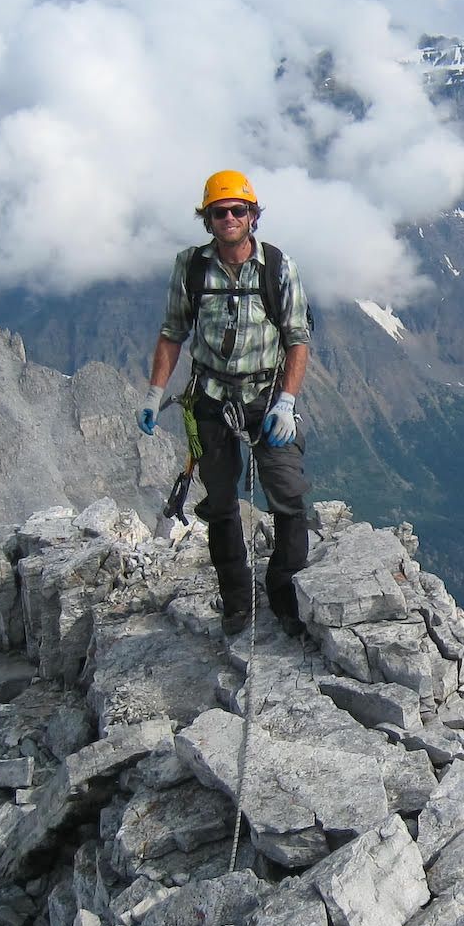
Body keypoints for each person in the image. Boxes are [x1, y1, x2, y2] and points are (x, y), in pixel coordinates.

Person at [140, 169, 312, 637]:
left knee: (289, 495)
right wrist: (156, 393)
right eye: (220, 212)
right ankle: (237, 603)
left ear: (253, 215)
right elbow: (173, 331)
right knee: (219, 503)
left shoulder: (277, 267)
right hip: (210, 399)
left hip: (265, 396)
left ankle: (286, 596)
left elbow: (297, 338)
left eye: (239, 210)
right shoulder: (190, 267)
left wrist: (286, 402)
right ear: (208, 219)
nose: (230, 218)